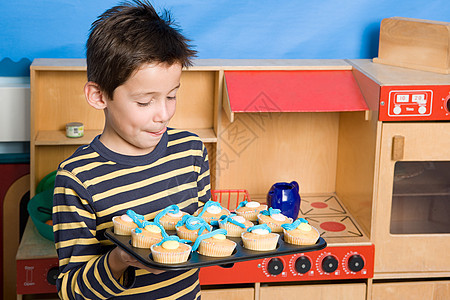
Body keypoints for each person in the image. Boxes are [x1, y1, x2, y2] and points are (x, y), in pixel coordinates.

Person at [52, 1, 208, 299]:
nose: (163, 113)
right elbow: (71, 289)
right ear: (99, 95)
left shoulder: (191, 152)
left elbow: (205, 235)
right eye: (144, 102)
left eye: (172, 96)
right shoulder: (77, 178)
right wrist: (119, 260)